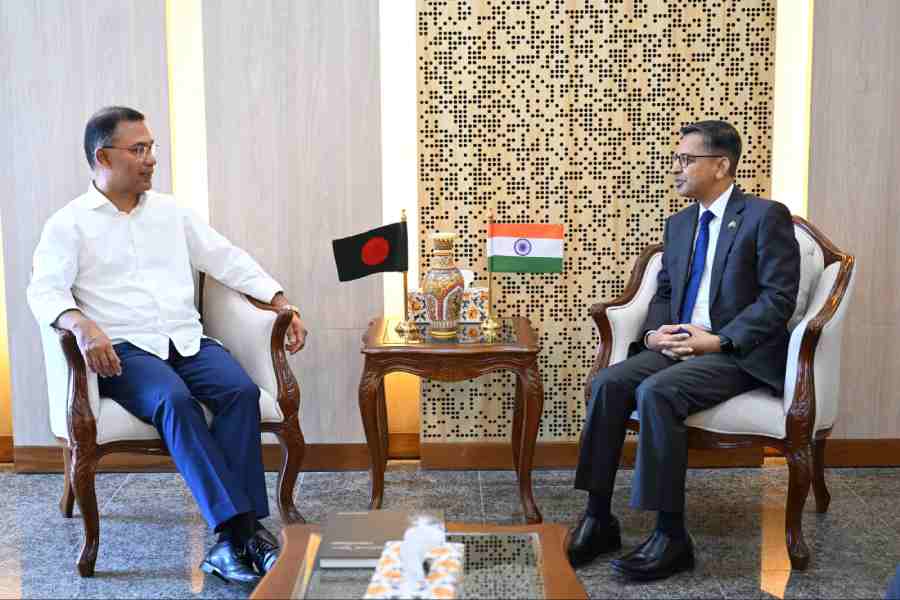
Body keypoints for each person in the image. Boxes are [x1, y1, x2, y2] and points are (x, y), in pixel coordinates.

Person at [27, 106, 308, 586]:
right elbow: (44, 291)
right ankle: (242, 531)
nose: (151, 159)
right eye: (138, 149)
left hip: (187, 339)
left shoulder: (171, 213)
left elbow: (225, 258)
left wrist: (280, 301)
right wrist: (81, 324)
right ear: (103, 157)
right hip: (124, 351)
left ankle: (231, 542)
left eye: (151, 148)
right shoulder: (68, 224)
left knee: (239, 392)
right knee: (174, 401)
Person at [567, 120, 800, 581]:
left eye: (687, 159)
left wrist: (718, 340)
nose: (677, 167)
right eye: (677, 158)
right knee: (609, 383)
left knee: (658, 392)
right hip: (679, 342)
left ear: (721, 165)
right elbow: (666, 292)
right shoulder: (680, 224)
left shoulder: (765, 217)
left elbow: (778, 299)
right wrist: (655, 334)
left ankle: (671, 535)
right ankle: (598, 517)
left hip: (736, 351)